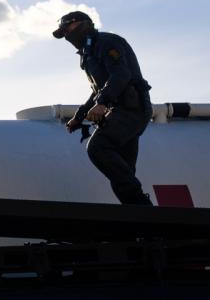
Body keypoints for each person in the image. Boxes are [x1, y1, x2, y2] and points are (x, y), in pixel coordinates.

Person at [53, 11, 154, 205]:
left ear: (84, 24)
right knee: (122, 171)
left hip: (131, 110)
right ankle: (141, 219)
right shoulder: (88, 53)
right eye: (63, 32)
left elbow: (120, 75)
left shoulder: (107, 43)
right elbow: (99, 89)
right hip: (122, 109)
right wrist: (79, 116)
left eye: (68, 28)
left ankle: (142, 207)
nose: (66, 34)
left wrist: (102, 104)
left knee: (98, 147)